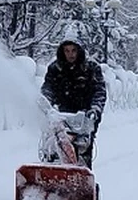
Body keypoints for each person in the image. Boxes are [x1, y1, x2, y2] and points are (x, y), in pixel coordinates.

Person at [41, 38, 107, 168]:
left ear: (79, 51)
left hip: (85, 117)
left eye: (73, 51)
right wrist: (45, 101)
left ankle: (83, 177)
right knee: (53, 146)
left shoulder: (91, 69)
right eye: (67, 51)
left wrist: (95, 109)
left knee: (82, 150)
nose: (70, 54)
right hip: (62, 115)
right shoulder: (56, 69)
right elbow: (48, 88)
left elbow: (99, 91)